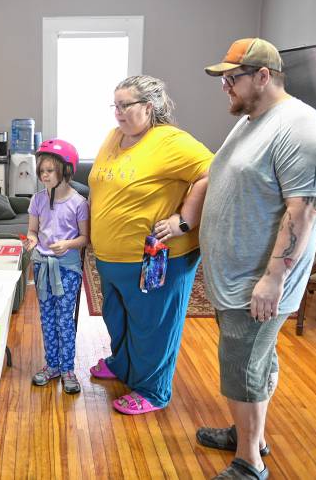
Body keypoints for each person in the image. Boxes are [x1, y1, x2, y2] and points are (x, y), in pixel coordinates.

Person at [197, 38, 316, 480]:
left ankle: (249, 463)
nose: (225, 88)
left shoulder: (300, 129)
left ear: (263, 76)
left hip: (257, 282)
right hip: (234, 277)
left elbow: (303, 212)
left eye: (231, 79)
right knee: (251, 363)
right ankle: (247, 434)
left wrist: (273, 280)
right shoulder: (253, 118)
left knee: (244, 367)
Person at [88, 75, 213, 414]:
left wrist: (182, 221)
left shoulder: (169, 141)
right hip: (110, 257)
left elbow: (212, 172)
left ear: (149, 106)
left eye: (124, 105)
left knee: (153, 325)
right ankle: (124, 365)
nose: (117, 113)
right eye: (115, 105)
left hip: (156, 257)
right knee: (119, 318)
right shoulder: (116, 136)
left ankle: (153, 391)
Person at [25, 139, 89, 394]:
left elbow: (85, 239)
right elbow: (32, 230)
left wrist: (68, 244)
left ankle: (68, 369)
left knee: (65, 318)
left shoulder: (79, 203)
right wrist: (31, 240)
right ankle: (52, 365)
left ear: (66, 170)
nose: (44, 175)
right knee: (47, 317)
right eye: (41, 171)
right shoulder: (37, 200)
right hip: (42, 266)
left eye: (49, 170)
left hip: (67, 268)